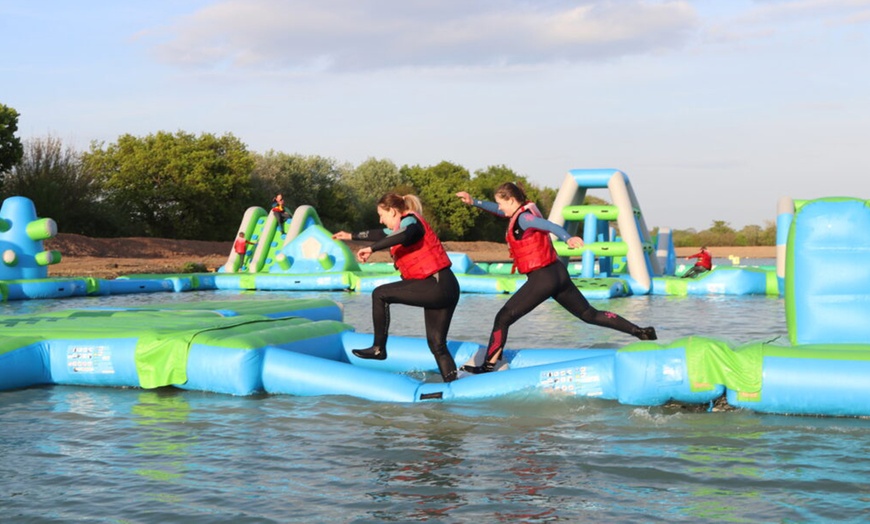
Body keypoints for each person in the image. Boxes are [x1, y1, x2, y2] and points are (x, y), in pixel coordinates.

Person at [455, 182, 657, 374]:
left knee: (503, 318)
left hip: (543, 278)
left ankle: (488, 367)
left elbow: (549, 225)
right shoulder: (522, 211)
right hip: (557, 273)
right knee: (589, 314)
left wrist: (568, 237)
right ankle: (641, 332)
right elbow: (499, 211)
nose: (499, 207)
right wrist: (474, 202)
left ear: (511, 200)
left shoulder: (525, 218)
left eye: (501, 202)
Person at [332, 193, 460, 383]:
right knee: (437, 344)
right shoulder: (402, 225)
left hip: (437, 285)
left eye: (382, 215)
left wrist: (373, 249)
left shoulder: (410, 222)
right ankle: (453, 385)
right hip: (446, 287)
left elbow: (406, 234)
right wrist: (350, 236)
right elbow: (379, 233)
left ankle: (378, 348)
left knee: (380, 294)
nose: (380, 220)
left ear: (392, 211)